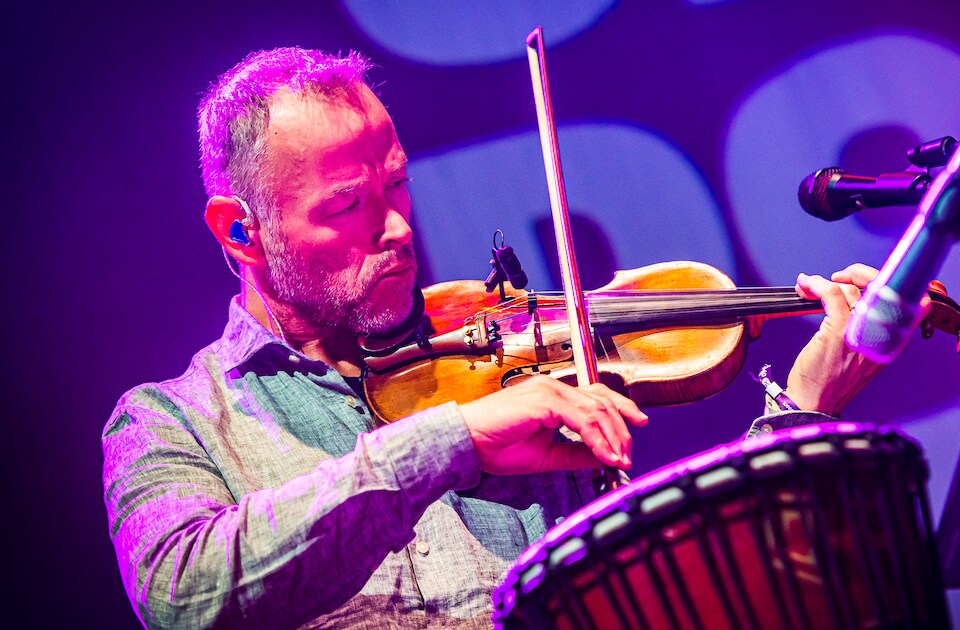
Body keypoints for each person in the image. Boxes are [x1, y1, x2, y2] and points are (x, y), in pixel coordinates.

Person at [102, 47, 901, 628]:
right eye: (347, 206)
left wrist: (803, 411)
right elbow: (187, 595)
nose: (394, 229)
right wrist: (449, 438)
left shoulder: (509, 363)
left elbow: (700, 595)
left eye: (397, 185)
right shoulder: (169, 422)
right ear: (242, 233)